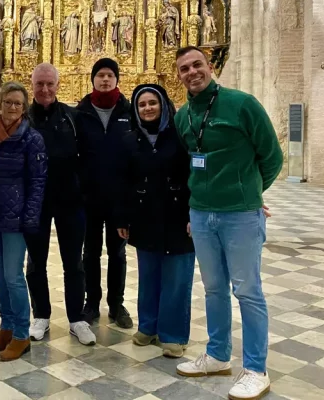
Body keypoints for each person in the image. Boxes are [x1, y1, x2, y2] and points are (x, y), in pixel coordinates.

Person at [173, 46, 282, 400]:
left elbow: (272, 156)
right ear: (179, 75)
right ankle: (218, 355)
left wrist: (250, 193)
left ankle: (256, 369)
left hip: (240, 215)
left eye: (197, 65)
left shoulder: (242, 104)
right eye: (184, 68)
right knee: (214, 288)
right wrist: (196, 208)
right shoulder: (183, 116)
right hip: (201, 214)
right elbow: (189, 163)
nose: (192, 72)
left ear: (210, 66)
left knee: (247, 290)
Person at [114, 84, 194, 358]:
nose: (147, 108)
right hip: (144, 215)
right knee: (148, 275)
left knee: (176, 278)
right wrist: (122, 217)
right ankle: (148, 326)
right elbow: (123, 181)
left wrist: (193, 214)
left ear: (163, 105)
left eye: (152, 103)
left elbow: (193, 177)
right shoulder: (129, 140)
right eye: (142, 104)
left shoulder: (180, 135)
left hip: (178, 216)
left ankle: (173, 335)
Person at [0, 82, 47, 361]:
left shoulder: (32, 138)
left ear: (24, 107)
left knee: (13, 276)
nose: (12, 107)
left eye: (18, 103)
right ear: (0, 103)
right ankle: (6, 327)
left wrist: (30, 217)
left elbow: (38, 182)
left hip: (16, 218)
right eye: (8, 102)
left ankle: (21, 334)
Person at [25, 64, 96, 346]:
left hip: (70, 200)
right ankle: (40, 315)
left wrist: (82, 190)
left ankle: (77, 318)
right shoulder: (23, 117)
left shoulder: (72, 116)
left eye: (49, 84)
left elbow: (87, 157)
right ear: (32, 84)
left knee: (74, 262)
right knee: (36, 262)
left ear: (58, 85)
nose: (44, 89)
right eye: (39, 84)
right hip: (36, 202)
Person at [76, 57, 133, 329]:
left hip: (119, 198)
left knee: (117, 253)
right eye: (101, 75)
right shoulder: (81, 112)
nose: (106, 79)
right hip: (89, 196)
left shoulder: (128, 111)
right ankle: (92, 302)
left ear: (117, 79)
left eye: (110, 74)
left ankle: (117, 304)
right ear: (93, 79)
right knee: (90, 252)